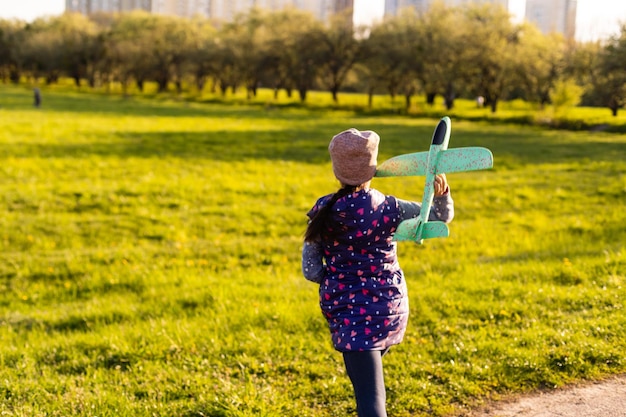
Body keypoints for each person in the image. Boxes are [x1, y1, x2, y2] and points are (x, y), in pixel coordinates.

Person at [302, 128, 454, 417]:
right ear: (373, 167)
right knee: (366, 387)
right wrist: (442, 193)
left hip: (352, 315)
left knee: (370, 401)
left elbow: (311, 270)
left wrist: (335, 279)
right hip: (390, 310)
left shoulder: (323, 210)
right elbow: (438, 217)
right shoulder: (389, 207)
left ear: (337, 170)